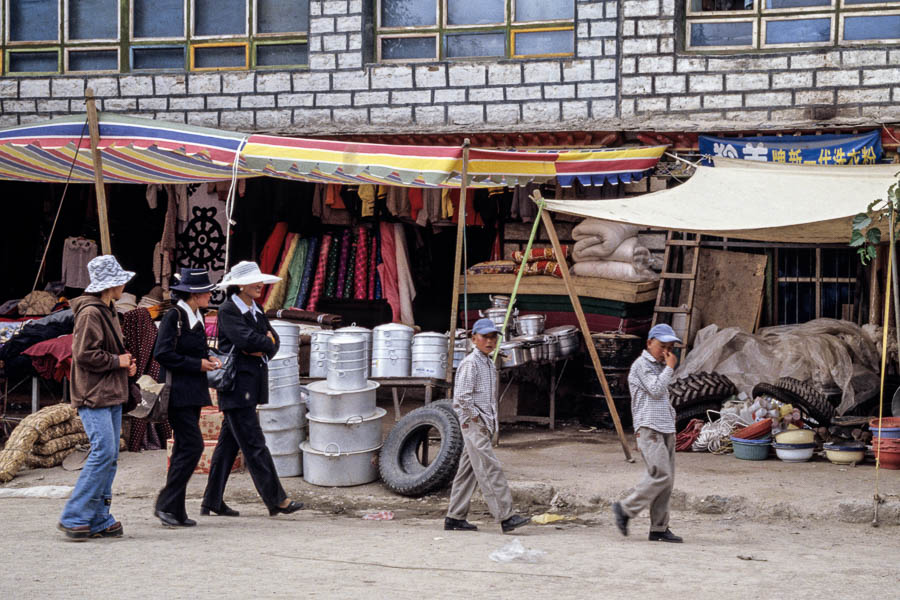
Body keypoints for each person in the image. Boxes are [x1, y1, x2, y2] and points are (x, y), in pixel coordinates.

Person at [201, 261, 303, 517]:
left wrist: (262, 344)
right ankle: (276, 499)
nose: (260, 285)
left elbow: (274, 340)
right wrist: (262, 343)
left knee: (228, 445)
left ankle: (211, 500)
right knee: (255, 443)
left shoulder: (255, 308)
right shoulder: (228, 310)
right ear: (241, 285)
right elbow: (245, 340)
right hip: (236, 385)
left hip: (249, 383)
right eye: (255, 281)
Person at [58, 255, 138, 541]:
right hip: (94, 393)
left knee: (110, 457)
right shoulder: (92, 312)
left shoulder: (108, 309)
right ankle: (75, 515)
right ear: (111, 285)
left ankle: (100, 517)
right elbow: (84, 355)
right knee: (104, 452)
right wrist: (118, 361)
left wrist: (123, 363)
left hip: (109, 391)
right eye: (121, 280)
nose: (125, 284)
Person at [444, 318, 530, 534]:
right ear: (474, 339)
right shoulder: (471, 363)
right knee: (490, 469)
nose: (490, 341)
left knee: (468, 472)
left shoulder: (488, 363)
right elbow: (461, 398)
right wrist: (477, 419)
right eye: (485, 337)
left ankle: (454, 517)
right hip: (475, 425)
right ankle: (506, 516)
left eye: (493, 337)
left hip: (482, 424)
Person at [152, 268, 222, 527]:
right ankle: (166, 502)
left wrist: (210, 358)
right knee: (193, 446)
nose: (210, 295)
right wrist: (197, 364)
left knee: (184, 448)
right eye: (206, 291)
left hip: (192, 392)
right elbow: (163, 354)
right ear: (194, 294)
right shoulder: (175, 316)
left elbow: (197, 350)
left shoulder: (196, 316)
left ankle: (175, 510)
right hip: (177, 393)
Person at [612, 323, 684, 543]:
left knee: (667, 481)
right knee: (660, 474)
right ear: (649, 343)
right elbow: (655, 390)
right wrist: (670, 368)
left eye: (670, 347)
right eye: (662, 346)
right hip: (649, 427)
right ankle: (625, 509)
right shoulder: (641, 365)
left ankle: (659, 529)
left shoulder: (660, 366)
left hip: (665, 427)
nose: (666, 352)